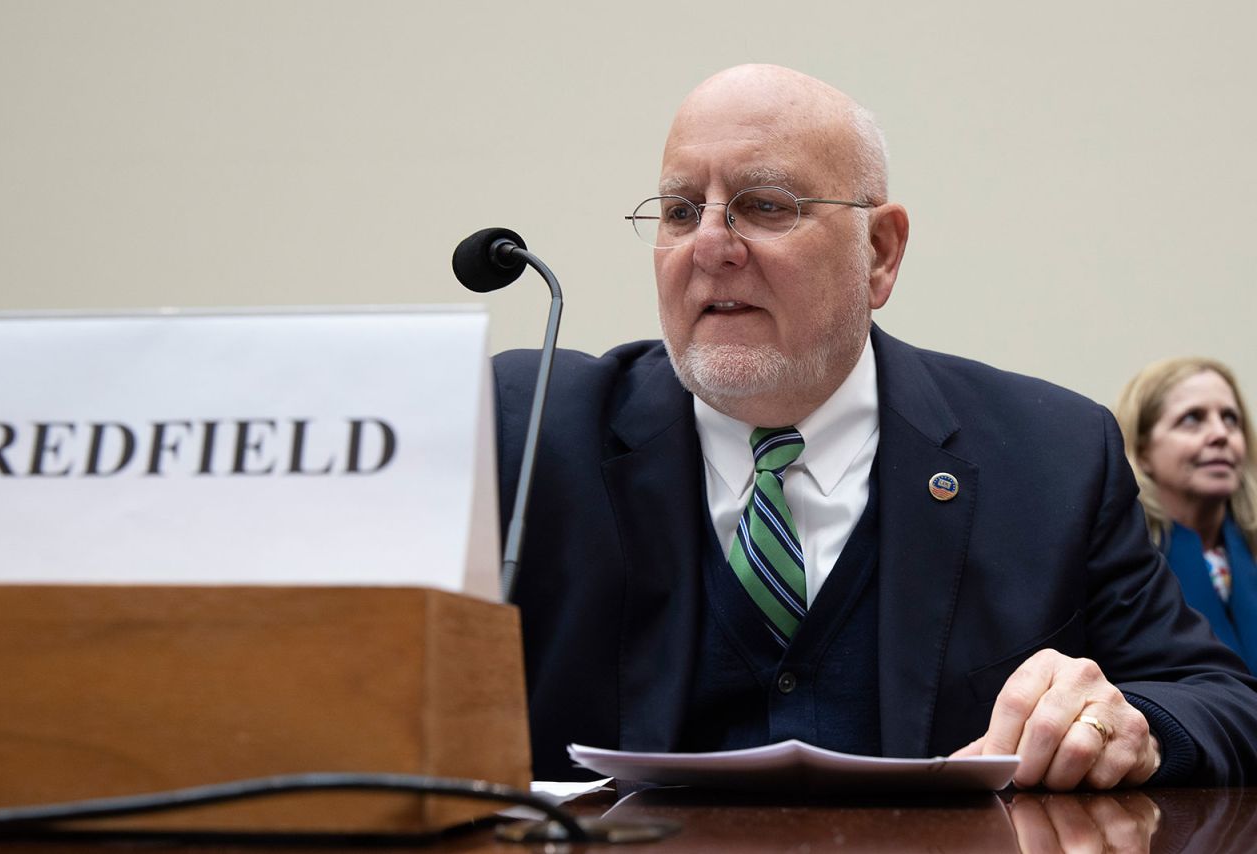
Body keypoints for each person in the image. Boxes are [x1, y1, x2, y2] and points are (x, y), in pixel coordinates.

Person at [492, 64, 1257, 789]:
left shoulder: (1052, 456)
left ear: (881, 253)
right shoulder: (529, 434)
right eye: (682, 211)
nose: (710, 248)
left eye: (766, 206)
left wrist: (1131, 727)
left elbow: (1223, 701)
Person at [1115, 358, 1257, 673]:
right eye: (1193, 419)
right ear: (1143, 451)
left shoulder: (1247, 551)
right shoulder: (1123, 567)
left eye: (1230, 419)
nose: (1221, 434)